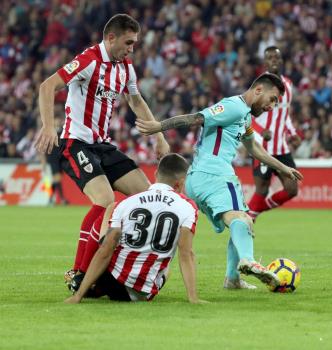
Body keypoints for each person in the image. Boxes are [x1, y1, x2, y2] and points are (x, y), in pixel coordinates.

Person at [35, 14, 170, 287]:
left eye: (134, 43)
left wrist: (159, 136)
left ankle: (128, 267)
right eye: (128, 42)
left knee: (147, 197)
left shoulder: (125, 67)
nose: (132, 48)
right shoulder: (88, 60)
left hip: (103, 146)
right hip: (76, 144)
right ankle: (79, 272)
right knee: (105, 200)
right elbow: (47, 86)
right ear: (111, 38)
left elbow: (136, 100)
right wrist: (49, 127)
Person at [137, 73, 303, 289]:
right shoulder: (233, 106)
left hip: (198, 179)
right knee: (242, 220)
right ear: (259, 90)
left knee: (238, 221)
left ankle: (233, 279)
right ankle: (248, 262)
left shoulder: (245, 116)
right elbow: (197, 118)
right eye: (272, 99)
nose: (272, 107)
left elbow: (254, 148)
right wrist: (159, 127)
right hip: (215, 174)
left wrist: (284, 168)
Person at [65, 153, 206, 303]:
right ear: (180, 183)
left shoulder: (126, 203)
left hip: (112, 282)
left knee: (109, 210)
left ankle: (83, 276)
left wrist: (78, 296)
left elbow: (105, 250)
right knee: (166, 268)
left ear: (156, 174)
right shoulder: (188, 207)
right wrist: (193, 298)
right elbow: (186, 254)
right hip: (142, 292)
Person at [247, 46, 301, 221]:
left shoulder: (289, 85)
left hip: (281, 147)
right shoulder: (259, 86)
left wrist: (292, 133)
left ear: (281, 60)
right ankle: (248, 217)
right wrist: (262, 132)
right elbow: (248, 115)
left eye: (276, 57)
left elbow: (285, 115)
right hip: (261, 146)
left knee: (292, 189)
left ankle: (254, 210)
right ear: (265, 62)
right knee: (261, 189)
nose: (274, 60)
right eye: (270, 58)